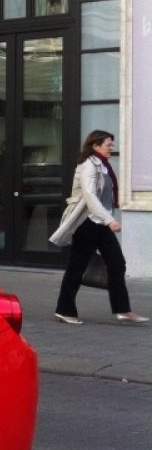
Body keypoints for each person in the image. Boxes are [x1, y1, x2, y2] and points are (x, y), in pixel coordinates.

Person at [50, 130, 147, 325]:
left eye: (111, 144)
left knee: (117, 263)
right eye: (108, 144)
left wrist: (106, 219)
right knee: (77, 267)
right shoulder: (88, 166)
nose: (111, 148)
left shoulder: (103, 166)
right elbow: (90, 196)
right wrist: (109, 219)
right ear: (95, 146)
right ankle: (64, 310)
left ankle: (123, 310)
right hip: (86, 222)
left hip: (100, 222)